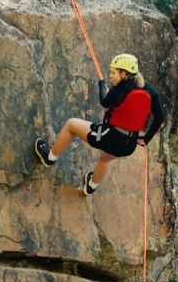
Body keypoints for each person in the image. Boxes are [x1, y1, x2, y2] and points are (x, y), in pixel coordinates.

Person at [34, 53, 164, 195]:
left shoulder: (117, 90)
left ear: (124, 74)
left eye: (113, 73)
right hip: (129, 144)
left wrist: (101, 85)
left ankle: (50, 158)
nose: (110, 76)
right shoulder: (149, 91)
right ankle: (91, 186)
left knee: (71, 124)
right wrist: (146, 139)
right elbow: (160, 117)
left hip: (110, 136)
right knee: (105, 158)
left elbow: (104, 101)